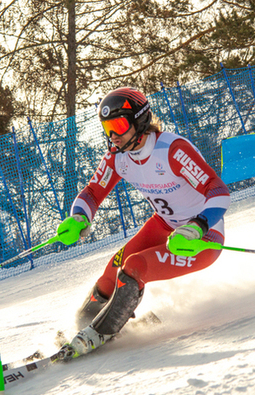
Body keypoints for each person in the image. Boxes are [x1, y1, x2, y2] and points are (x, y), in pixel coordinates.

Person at [54, 87, 231, 360]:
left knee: (134, 267)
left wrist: (197, 226)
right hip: (162, 225)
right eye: (107, 128)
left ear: (139, 121)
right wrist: (79, 217)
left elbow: (218, 192)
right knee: (109, 276)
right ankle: (80, 325)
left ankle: (100, 332)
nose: (113, 136)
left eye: (119, 126)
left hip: (200, 240)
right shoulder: (118, 156)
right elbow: (92, 192)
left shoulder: (171, 150)